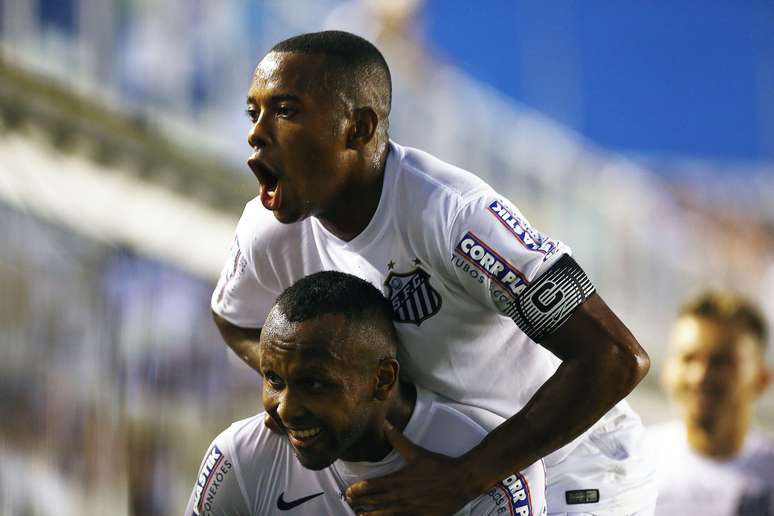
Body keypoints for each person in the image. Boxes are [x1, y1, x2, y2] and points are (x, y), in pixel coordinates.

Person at [212, 30, 655, 515]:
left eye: (286, 110)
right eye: (253, 113)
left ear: (357, 128)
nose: (256, 132)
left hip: (573, 464)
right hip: (445, 469)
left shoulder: (455, 218)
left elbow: (615, 356)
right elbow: (234, 317)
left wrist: (463, 478)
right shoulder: (266, 228)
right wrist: (295, 390)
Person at [187, 271, 547, 515]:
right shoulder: (241, 456)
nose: (287, 410)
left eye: (314, 384)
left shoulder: (492, 469)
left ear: (382, 380)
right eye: (274, 380)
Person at [648, 291, 774, 515]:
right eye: (688, 358)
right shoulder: (633, 462)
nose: (700, 375)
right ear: (667, 370)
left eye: (721, 362)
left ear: (762, 379)